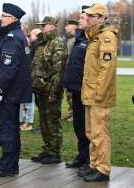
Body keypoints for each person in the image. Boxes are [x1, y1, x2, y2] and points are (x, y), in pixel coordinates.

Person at [0, 3, 32, 177]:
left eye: (3, 15)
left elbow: (8, 68)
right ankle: (10, 164)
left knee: (7, 130)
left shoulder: (12, 37)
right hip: (13, 92)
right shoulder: (15, 35)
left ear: (12, 19)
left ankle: (7, 166)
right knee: (10, 129)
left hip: (9, 93)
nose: (1, 18)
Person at [80, 3, 118, 182]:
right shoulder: (94, 36)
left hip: (98, 95)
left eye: (93, 16)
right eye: (88, 15)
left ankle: (103, 170)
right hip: (90, 93)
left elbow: (107, 68)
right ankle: (94, 165)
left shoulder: (107, 36)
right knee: (91, 132)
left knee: (99, 133)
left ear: (102, 18)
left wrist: (100, 93)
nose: (88, 18)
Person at [31, 16, 68, 164]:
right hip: (40, 90)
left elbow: (58, 72)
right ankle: (47, 150)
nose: (42, 27)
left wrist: (54, 92)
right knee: (44, 123)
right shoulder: (43, 43)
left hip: (51, 92)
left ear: (52, 26)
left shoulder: (57, 44)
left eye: (44, 25)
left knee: (53, 123)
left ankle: (55, 153)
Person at [62, 6, 90, 171]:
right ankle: (82, 157)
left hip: (87, 90)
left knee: (89, 128)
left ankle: (89, 160)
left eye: (82, 18)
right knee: (79, 126)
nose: (79, 20)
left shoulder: (93, 40)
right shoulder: (80, 38)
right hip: (76, 89)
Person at [63, 19, 79, 122]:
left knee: (72, 94)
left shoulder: (75, 39)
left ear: (74, 27)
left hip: (71, 71)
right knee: (68, 94)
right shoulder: (69, 39)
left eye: (68, 25)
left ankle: (75, 115)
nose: (65, 27)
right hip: (66, 70)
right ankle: (71, 113)